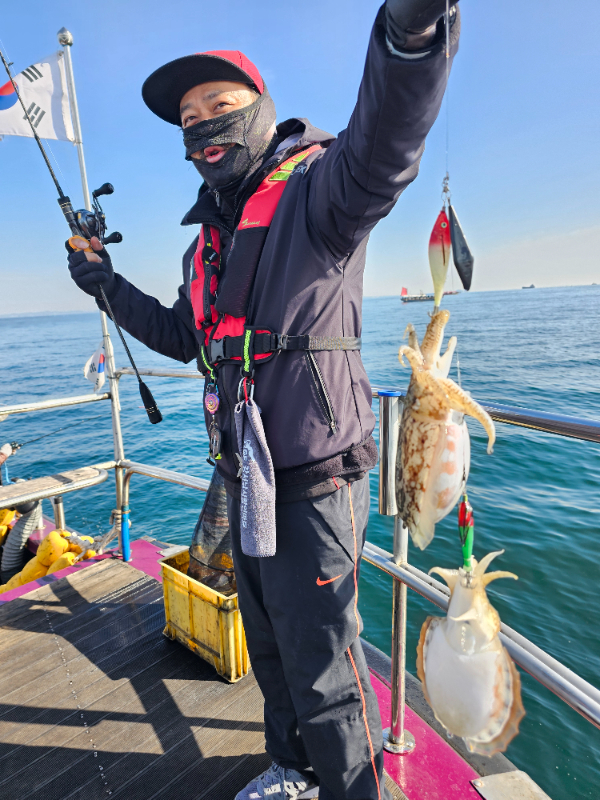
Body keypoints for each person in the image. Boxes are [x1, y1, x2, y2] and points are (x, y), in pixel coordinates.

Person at [67, 1, 460, 797]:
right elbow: (184, 336)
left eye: (220, 105)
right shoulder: (203, 246)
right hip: (243, 477)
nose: (204, 125)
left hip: (316, 480)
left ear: (261, 110)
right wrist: (106, 284)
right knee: (271, 645)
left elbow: (387, 141)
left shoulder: (323, 193)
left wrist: (410, 34)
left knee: (325, 666)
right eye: (189, 118)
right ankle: (293, 769)